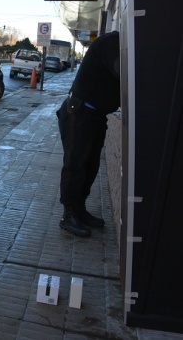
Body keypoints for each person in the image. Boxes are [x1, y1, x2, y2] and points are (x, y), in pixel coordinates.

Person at [56, 31, 120, 237]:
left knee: (90, 165)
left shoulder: (119, 43)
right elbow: (124, 72)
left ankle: (80, 209)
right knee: (75, 165)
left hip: (95, 115)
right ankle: (69, 215)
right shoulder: (113, 42)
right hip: (80, 113)